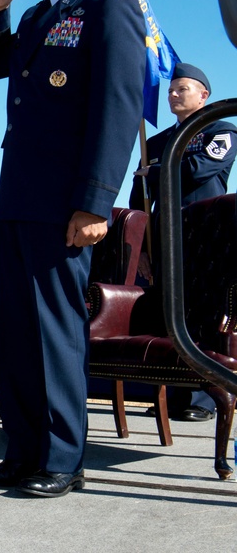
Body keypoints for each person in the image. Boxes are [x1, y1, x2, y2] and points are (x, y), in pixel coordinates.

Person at [0, 0, 145, 496]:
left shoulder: (107, 8)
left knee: (53, 331)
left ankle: (63, 458)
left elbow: (116, 109)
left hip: (66, 205)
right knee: (16, 331)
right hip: (19, 200)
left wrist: (96, 201)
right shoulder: (34, 19)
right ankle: (22, 450)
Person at [128, 62, 237, 422]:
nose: (174, 95)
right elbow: (137, 199)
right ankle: (172, 396)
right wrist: (143, 248)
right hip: (165, 239)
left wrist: (154, 172)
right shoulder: (155, 143)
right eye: (171, 90)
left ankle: (205, 399)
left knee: (203, 315)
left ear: (204, 95)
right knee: (167, 316)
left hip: (207, 240)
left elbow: (195, 171)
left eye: (183, 89)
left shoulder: (220, 130)